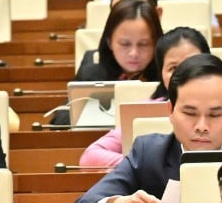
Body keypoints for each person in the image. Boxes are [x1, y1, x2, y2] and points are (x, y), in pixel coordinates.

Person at [76, 54, 222, 203]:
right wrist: (118, 202)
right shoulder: (148, 154)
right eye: (190, 113)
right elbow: (87, 200)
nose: (201, 127)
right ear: (170, 111)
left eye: (214, 115)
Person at [79, 27, 211, 167]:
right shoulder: (144, 111)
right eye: (173, 68)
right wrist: (142, 166)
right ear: (161, 73)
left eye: (192, 64)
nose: (184, 74)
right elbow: (90, 156)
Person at [51, 0, 163, 126]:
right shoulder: (92, 70)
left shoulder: (166, 72)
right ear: (109, 42)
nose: (134, 53)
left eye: (143, 44)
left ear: (156, 43)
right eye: (125, 44)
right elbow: (60, 121)